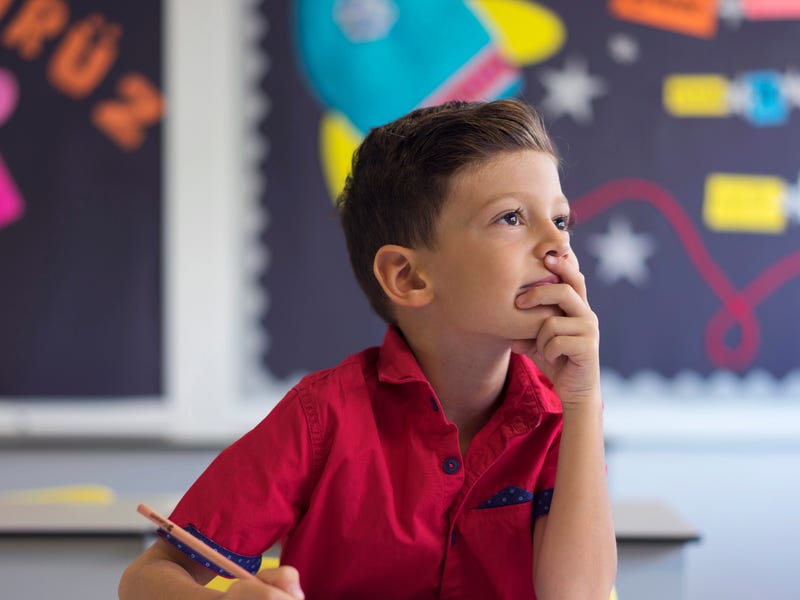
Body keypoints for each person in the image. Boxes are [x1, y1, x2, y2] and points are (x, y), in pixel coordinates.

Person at [119, 98, 617, 599]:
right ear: (408, 276)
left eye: (560, 220)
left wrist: (582, 401)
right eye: (511, 218)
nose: (558, 246)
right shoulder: (322, 418)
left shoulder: (561, 417)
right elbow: (145, 580)